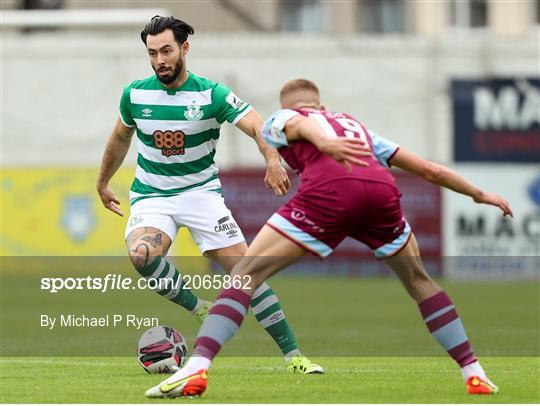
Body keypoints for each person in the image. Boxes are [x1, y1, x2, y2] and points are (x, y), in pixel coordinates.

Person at [145, 78, 514, 398]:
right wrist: (480, 194)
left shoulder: (284, 118)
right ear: (322, 104)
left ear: (291, 105)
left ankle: (196, 366)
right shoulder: (357, 128)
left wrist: (324, 143)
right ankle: (474, 372)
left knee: (245, 275)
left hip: (332, 191)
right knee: (420, 281)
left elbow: (298, 127)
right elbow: (430, 170)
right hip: (382, 194)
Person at [96, 17, 324, 374]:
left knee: (248, 273)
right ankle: (198, 307)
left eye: (167, 51)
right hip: (152, 196)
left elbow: (255, 125)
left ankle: (295, 357)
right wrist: (103, 181)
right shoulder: (135, 94)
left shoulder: (212, 95)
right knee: (141, 255)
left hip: (201, 195)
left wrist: (272, 159)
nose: (160, 60)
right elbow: (121, 137)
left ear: (184, 49)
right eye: (152, 53)